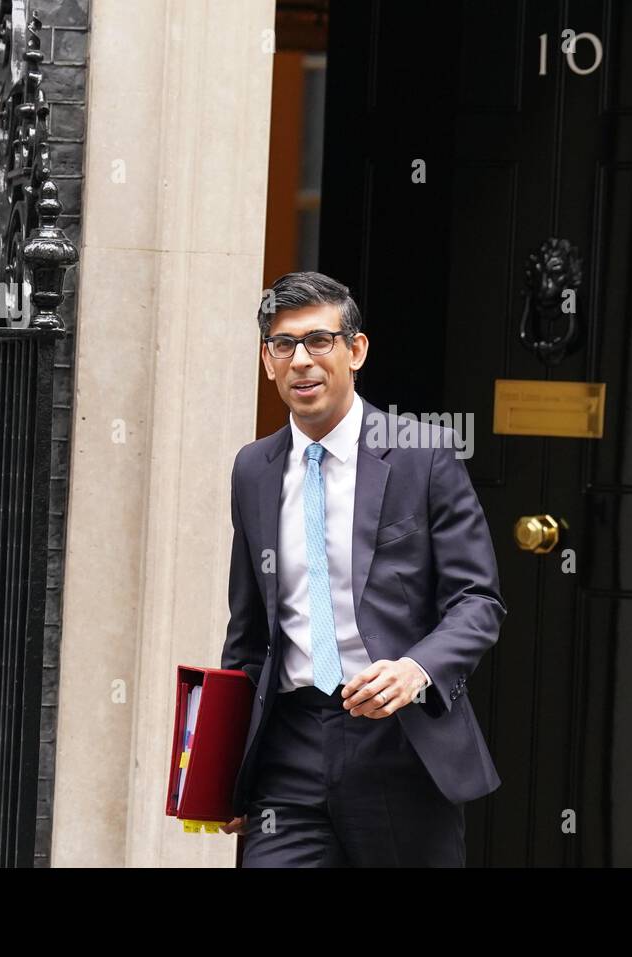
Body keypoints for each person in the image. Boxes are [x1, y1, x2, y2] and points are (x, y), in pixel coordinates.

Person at [219, 270, 506, 866]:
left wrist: (415, 669)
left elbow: (478, 602)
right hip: (288, 751)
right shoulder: (253, 469)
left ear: (356, 349)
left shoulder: (424, 457)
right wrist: (229, 768)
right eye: (284, 345)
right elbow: (247, 633)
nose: (302, 360)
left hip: (401, 745)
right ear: (268, 361)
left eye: (319, 341)